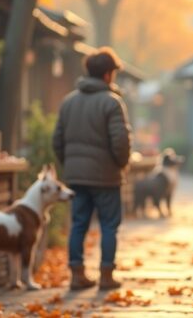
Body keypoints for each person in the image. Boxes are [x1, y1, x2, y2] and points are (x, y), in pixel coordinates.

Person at [53, 47, 132, 291]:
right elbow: (120, 141)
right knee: (109, 225)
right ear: (108, 74)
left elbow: (57, 140)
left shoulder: (68, 101)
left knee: (78, 224)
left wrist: (71, 166)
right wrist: (121, 165)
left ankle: (76, 275)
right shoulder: (112, 102)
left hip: (76, 176)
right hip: (106, 177)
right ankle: (106, 276)